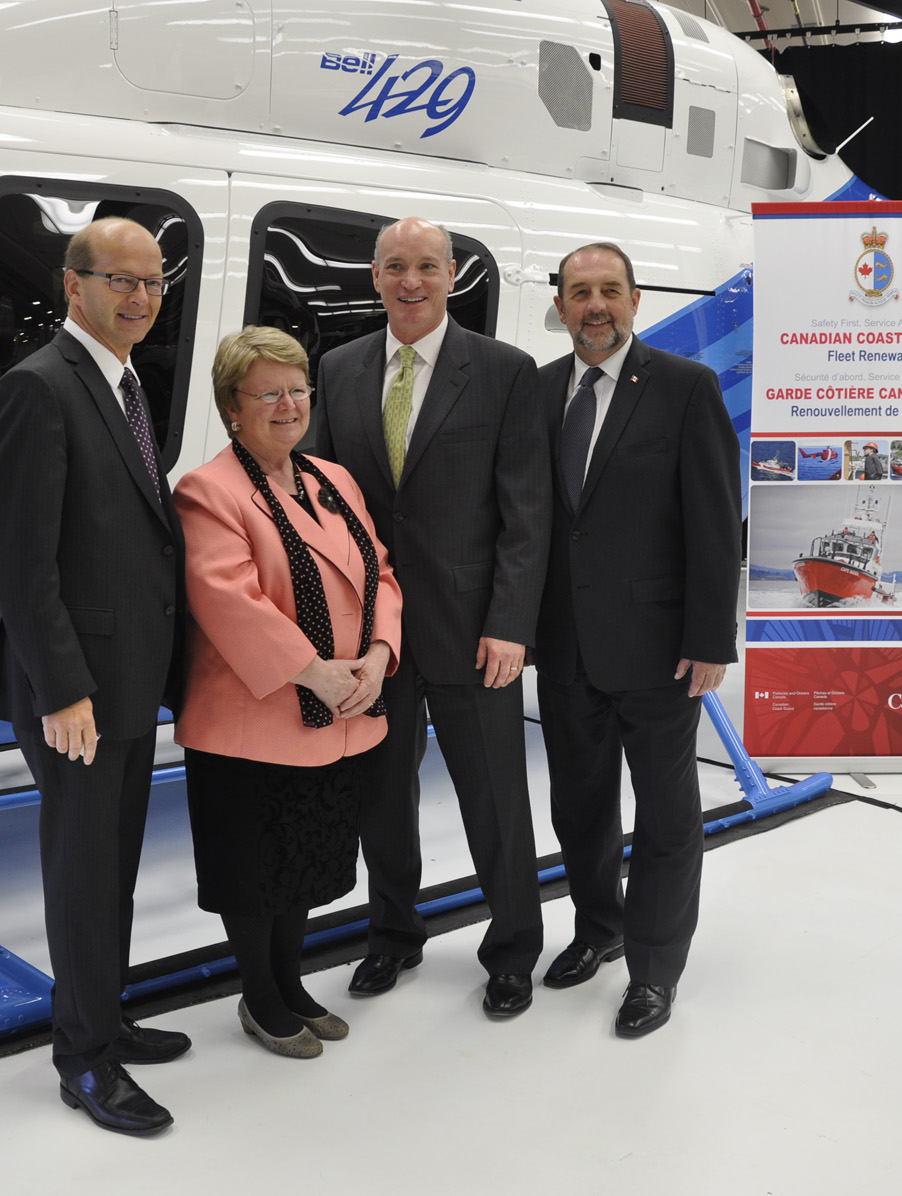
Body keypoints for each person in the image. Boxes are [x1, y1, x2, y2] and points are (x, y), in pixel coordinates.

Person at [0, 217, 189, 1134]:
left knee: (115, 868)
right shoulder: (39, 388)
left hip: (127, 681)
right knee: (83, 868)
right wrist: (62, 689)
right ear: (74, 285)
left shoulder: (126, 382)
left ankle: (104, 1011)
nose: (139, 297)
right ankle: (87, 1062)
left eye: (152, 283)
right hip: (80, 694)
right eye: (120, 280)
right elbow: (20, 562)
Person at [317, 216, 550, 1017]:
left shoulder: (503, 371)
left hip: (472, 629)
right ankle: (391, 935)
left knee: (494, 799)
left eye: (426, 266)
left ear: (453, 275)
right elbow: (319, 506)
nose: (410, 282)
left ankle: (514, 949)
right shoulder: (338, 369)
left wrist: (512, 623)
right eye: (394, 268)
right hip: (372, 637)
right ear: (374, 278)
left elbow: (527, 511)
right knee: (379, 799)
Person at [174, 326, 403, 1058]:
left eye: (298, 390)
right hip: (255, 717)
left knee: (305, 863)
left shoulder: (334, 480)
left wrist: (376, 656)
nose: (287, 404)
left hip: (338, 711)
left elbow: (382, 578)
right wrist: (318, 673)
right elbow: (227, 599)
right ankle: (261, 997)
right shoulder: (209, 490)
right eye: (267, 392)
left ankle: (292, 982)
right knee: (255, 870)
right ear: (231, 407)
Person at [533, 242, 741, 1037]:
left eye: (609, 291)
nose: (595, 306)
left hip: (660, 651)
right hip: (565, 650)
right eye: (579, 292)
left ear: (635, 299)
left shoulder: (686, 388)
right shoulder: (542, 390)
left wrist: (710, 636)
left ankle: (654, 969)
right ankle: (600, 929)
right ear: (559, 303)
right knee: (579, 810)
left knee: (664, 817)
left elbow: (716, 523)